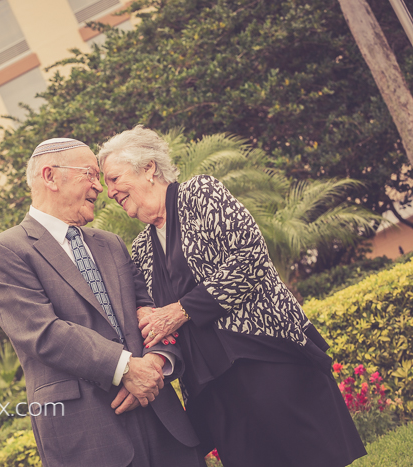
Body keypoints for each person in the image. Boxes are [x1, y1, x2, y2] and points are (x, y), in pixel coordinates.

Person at [98, 125, 367, 467]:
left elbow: (250, 258)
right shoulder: (140, 250)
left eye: (114, 178)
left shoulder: (200, 194)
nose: (110, 192)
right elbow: (153, 320)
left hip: (264, 355)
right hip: (211, 387)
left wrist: (181, 309)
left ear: (149, 167)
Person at [0, 138, 206, 467]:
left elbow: (153, 311)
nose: (100, 188)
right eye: (90, 174)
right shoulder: (7, 251)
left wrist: (154, 365)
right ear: (50, 176)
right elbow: (43, 333)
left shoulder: (112, 244)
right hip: (88, 435)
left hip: (161, 420)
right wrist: (125, 368)